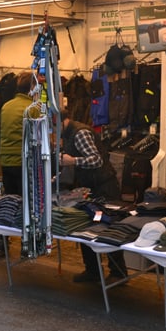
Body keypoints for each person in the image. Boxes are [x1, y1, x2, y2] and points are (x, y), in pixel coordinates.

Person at [60, 116, 127, 283]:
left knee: (110, 228)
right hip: (91, 187)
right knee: (85, 226)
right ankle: (93, 271)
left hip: (104, 187)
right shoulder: (67, 134)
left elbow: (96, 160)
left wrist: (73, 160)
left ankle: (119, 274)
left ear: (58, 121)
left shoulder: (80, 133)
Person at [0, 72, 34, 195]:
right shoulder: (33, 108)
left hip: (6, 160)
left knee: (9, 201)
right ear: (32, 88)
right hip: (23, 161)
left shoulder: (6, 106)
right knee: (25, 201)